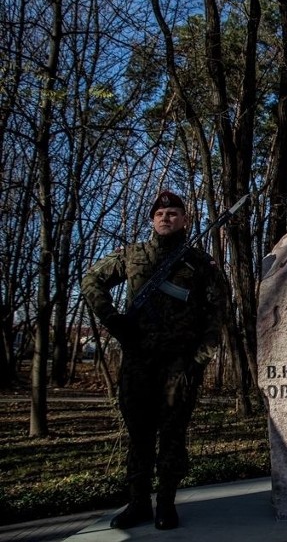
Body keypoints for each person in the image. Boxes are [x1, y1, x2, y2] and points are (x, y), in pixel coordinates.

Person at [81, 191, 227, 530]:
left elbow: (216, 317)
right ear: (151, 220)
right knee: (139, 435)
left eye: (173, 213)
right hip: (138, 361)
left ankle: (165, 504)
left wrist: (198, 361)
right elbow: (91, 280)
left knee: (173, 435)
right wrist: (112, 319)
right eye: (160, 213)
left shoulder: (200, 264)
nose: (165, 218)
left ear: (186, 220)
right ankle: (137, 504)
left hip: (178, 364)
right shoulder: (132, 256)